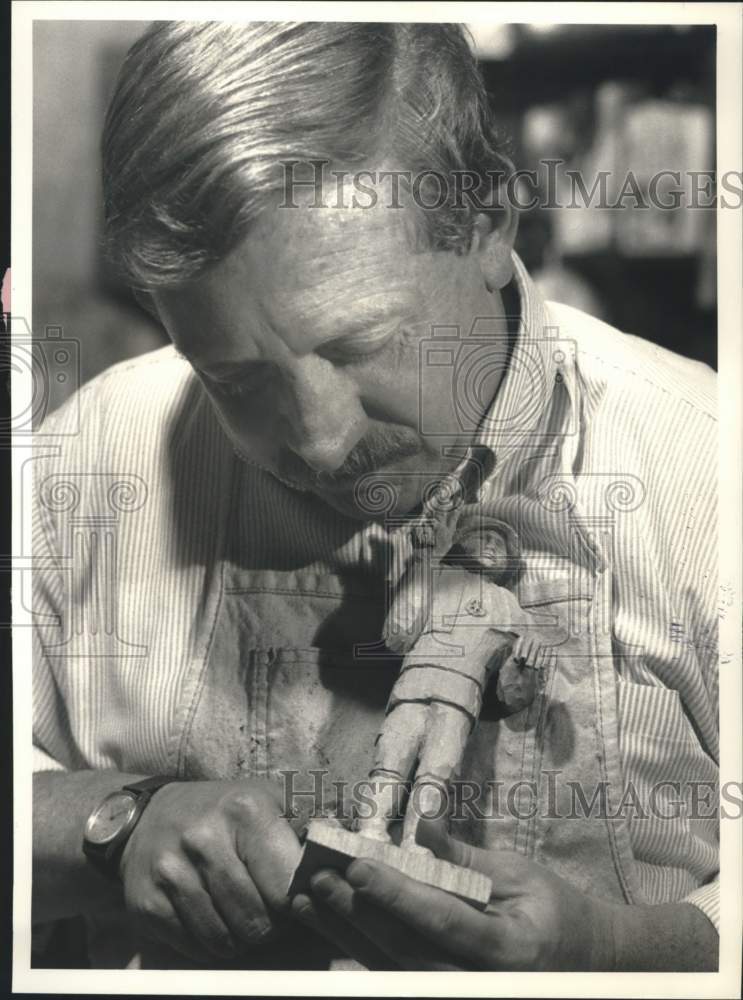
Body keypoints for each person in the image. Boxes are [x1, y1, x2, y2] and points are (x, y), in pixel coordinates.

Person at [32, 21, 719, 971]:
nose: (318, 441)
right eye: (237, 381)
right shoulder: (84, 462)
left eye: (357, 346)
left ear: (486, 222)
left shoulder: (710, 472)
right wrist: (113, 823)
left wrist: (620, 951)